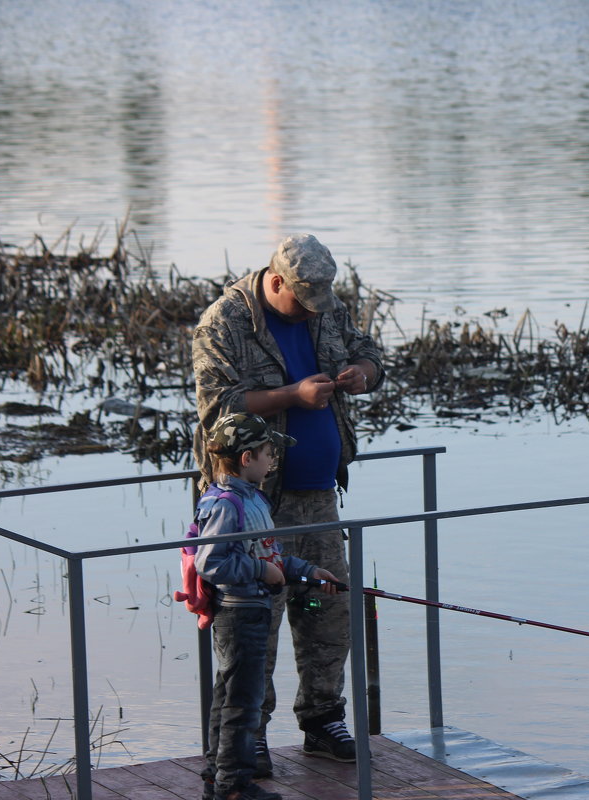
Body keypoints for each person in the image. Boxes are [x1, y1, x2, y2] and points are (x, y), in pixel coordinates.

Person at [193, 233, 384, 770]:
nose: (312, 314)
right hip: (252, 505)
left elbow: (369, 353)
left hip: (319, 497)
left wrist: (361, 376)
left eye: (319, 304)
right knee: (253, 620)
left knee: (326, 609)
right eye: (302, 303)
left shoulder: (323, 306)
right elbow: (218, 408)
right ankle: (245, 734)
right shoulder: (224, 321)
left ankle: (324, 720)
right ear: (276, 282)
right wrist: (292, 396)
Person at [196, 411, 339, 800]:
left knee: (230, 696)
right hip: (240, 615)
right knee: (242, 702)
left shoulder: (252, 498)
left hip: (252, 610)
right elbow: (210, 562)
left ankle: (217, 777)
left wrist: (309, 571)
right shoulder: (227, 504)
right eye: (267, 453)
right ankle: (234, 786)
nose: (272, 461)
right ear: (246, 458)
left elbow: (270, 555)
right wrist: (261, 571)